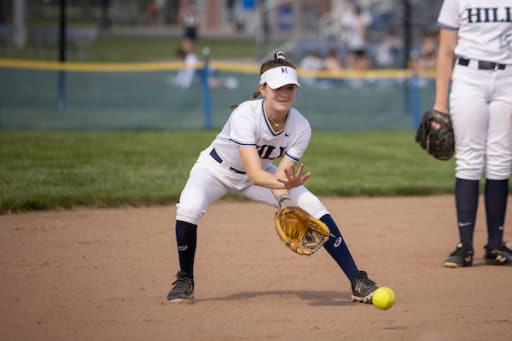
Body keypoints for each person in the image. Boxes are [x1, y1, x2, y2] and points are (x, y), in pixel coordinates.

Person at [167, 51, 380, 303]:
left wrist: (285, 201)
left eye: (290, 87)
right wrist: (284, 186)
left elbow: (277, 176)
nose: (284, 93)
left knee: (312, 206)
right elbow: (256, 174)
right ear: (263, 88)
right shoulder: (245, 115)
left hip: (263, 176)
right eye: (277, 87)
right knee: (189, 210)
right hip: (214, 170)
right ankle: (185, 280)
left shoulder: (301, 127)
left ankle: (357, 280)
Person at [432, 0, 512, 268]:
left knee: (501, 160)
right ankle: (465, 245)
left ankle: (496, 245)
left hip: (509, 78)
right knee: (469, 158)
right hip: (469, 77)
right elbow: (445, 51)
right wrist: (440, 104)